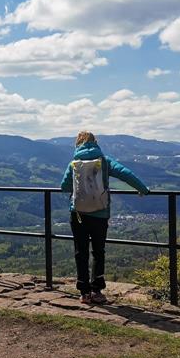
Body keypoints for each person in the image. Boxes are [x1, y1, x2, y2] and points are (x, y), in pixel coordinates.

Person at [60, 131, 150, 305]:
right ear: (95, 142)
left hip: (77, 213)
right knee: (98, 252)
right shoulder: (104, 161)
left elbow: (64, 186)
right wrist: (143, 189)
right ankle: (97, 290)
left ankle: (84, 292)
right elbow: (126, 173)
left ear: (77, 143)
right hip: (100, 213)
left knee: (81, 252)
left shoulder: (74, 163)